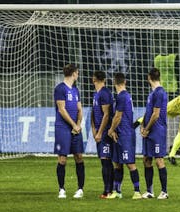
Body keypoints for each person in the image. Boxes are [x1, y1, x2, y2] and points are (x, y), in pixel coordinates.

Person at [107, 72, 142, 200]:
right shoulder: (124, 96)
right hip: (120, 133)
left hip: (126, 135)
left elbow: (118, 116)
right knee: (117, 163)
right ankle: (118, 191)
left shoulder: (122, 97)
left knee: (130, 163)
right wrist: (115, 131)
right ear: (125, 82)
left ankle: (137, 191)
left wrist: (111, 130)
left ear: (114, 83)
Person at [54, 64, 85, 199]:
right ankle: (61, 189)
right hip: (63, 128)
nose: (78, 75)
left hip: (75, 128)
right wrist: (73, 124)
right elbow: (61, 109)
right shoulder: (60, 89)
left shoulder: (75, 90)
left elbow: (79, 109)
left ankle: (80, 189)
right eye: (77, 73)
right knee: (62, 159)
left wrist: (78, 124)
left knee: (79, 156)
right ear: (74, 73)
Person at [140, 68, 169, 199]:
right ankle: (150, 191)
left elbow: (156, 115)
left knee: (159, 160)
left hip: (157, 131)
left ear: (148, 77)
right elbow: (149, 111)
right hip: (149, 131)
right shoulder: (152, 93)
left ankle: (164, 191)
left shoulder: (159, 93)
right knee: (146, 159)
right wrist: (142, 125)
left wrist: (146, 129)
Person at [90, 70, 115, 199]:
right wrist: (93, 129)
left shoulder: (105, 93)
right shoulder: (96, 94)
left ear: (93, 79)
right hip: (99, 132)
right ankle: (109, 189)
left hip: (105, 133)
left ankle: (108, 190)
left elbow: (106, 115)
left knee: (106, 161)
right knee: (104, 161)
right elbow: (93, 112)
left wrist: (99, 132)